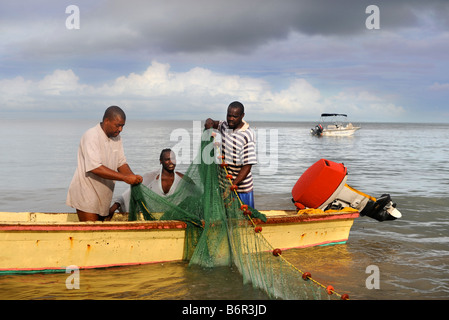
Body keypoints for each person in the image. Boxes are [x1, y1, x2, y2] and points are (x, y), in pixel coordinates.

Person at [66, 106, 143, 221]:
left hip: (103, 196)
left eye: (123, 126)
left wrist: (133, 178)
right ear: (107, 121)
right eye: (118, 125)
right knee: (92, 235)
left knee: (100, 235)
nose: (120, 129)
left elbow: (121, 163)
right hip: (86, 194)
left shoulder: (117, 138)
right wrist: (125, 178)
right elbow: (95, 168)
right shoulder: (91, 135)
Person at [204, 101, 257, 208]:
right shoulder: (224, 125)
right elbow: (212, 122)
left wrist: (232, 186)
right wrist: (208, 122)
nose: (231, 119)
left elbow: (247, 166)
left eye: (235, 116)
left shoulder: (247, 135)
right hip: (224, 184)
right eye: (229, 115)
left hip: (241, 188)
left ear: (242, 116)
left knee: (245, 218)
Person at [109, 148, 184, 214]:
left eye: (173, 159)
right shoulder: (152, 176)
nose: (171, 162)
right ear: (161, 161)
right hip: (152, 215)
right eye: (167, 159)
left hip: (172, 216)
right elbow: (130, 192)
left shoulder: (182, 178)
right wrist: (113, 208)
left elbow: (193, 192)